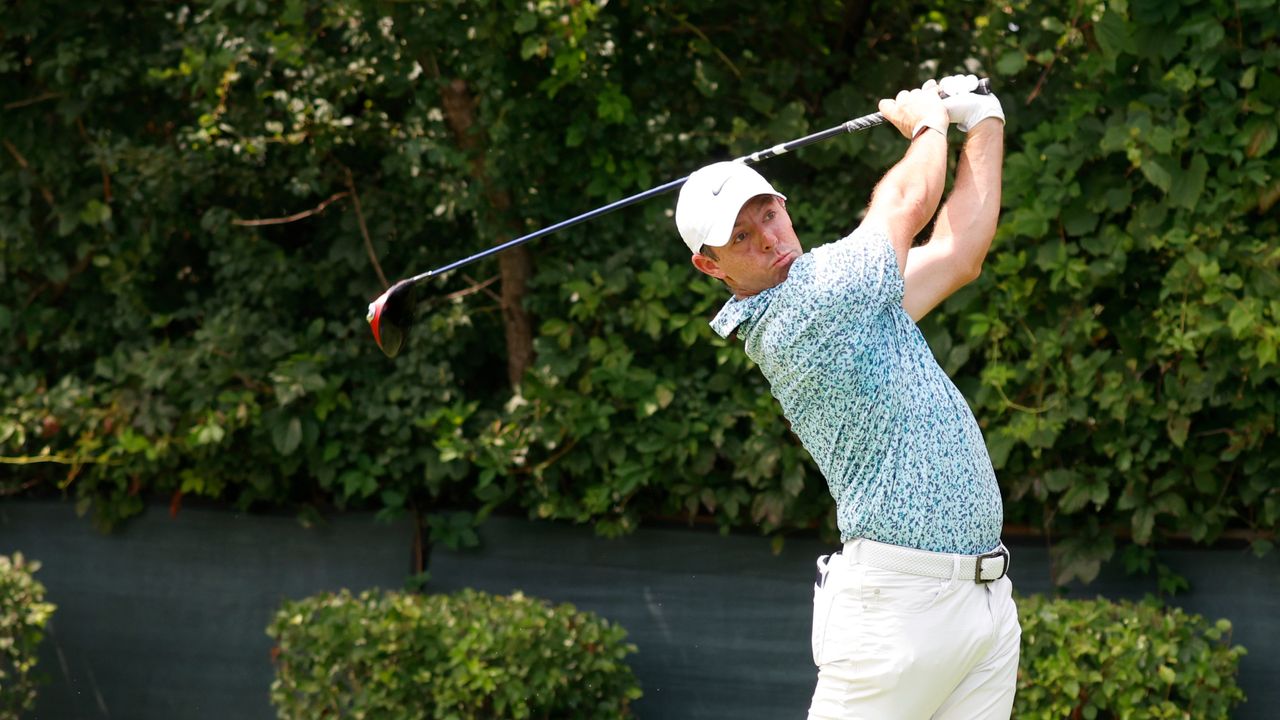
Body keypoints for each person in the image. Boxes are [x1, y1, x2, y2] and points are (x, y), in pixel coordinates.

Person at [674, 76, 1016, 719]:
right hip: (897, 613)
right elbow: (905, 205)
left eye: (767, 216)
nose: (769, 241)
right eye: (740, 239)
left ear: (782, 203)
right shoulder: (804, 308)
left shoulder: (853, 297)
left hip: (984, 603)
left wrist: (984, 121)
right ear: (710, 265)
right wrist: (928, 125)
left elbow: (957, 252)